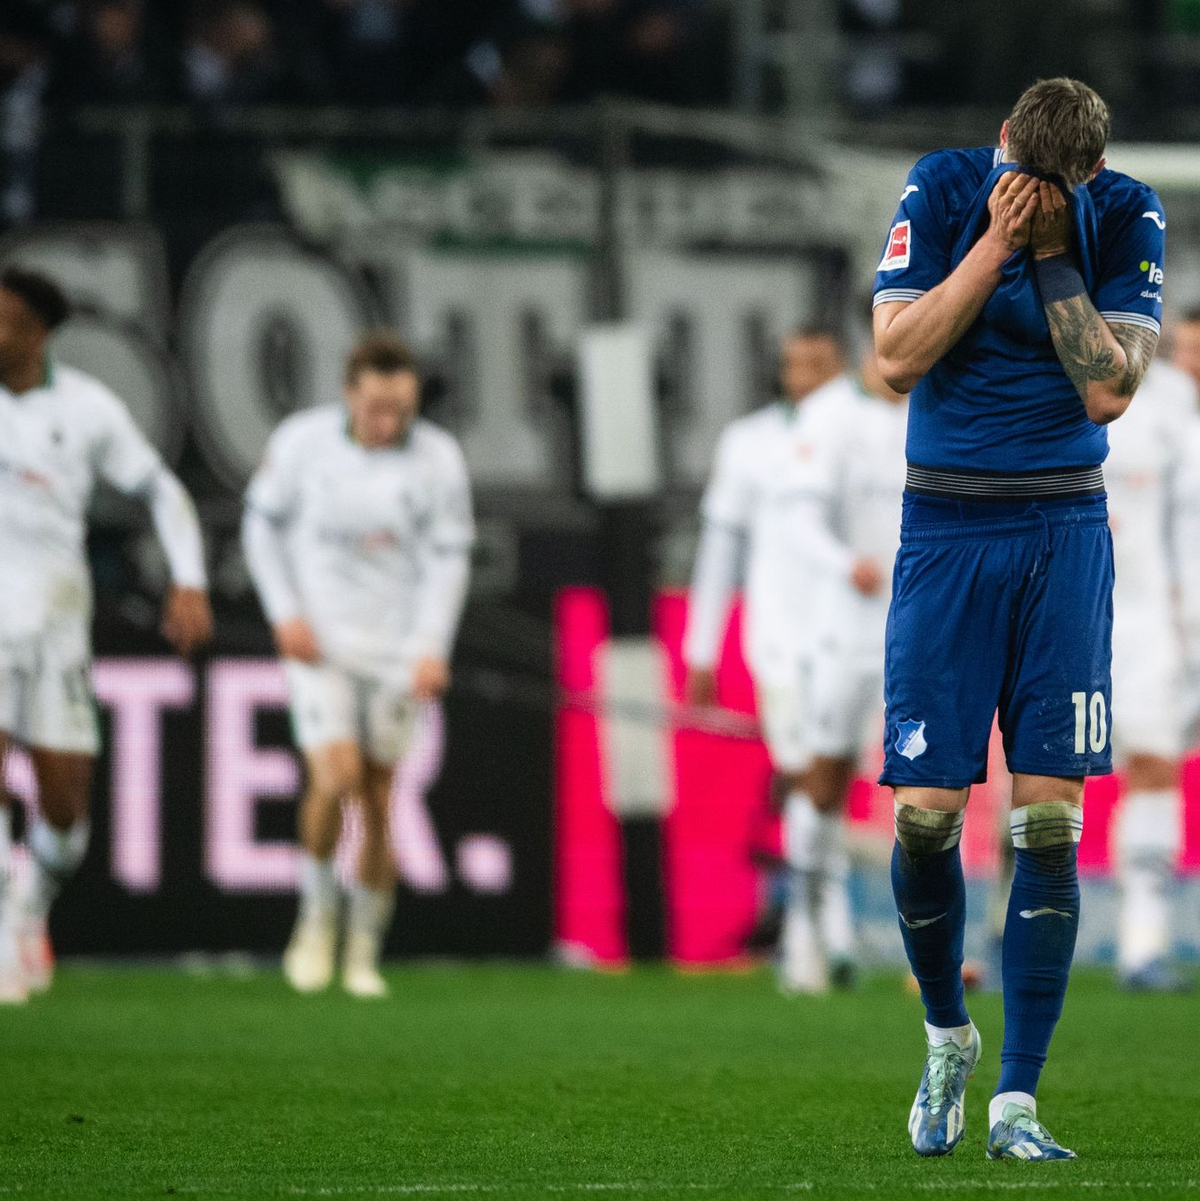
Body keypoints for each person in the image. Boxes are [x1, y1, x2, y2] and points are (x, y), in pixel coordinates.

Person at [873, 78, 1164, 1160]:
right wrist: (993, 247)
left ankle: (1018, 1101)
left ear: (1087, 174)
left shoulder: (1127, 210)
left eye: (1054, 189)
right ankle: (947, 1030)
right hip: (945, 526)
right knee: (926, 815)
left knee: (1048, 818)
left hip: (1062, 531)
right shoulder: (945, 187)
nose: (1027, 196)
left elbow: (1109, 391)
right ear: (997, 142)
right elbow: (897, 357)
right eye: (1018, 176)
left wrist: (1049, 254)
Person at [0, 267, 212, 1005]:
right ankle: (1, 929)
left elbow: (160, 486)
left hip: (56, 620)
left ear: (39, 332)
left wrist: (189, 578)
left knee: (64, 808)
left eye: (5, 319)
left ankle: (31, 900)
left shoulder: (88, 408)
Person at [242, 332, 473, 999]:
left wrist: (433, 645)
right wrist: (285, 612)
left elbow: (448, 558)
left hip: (398, 650)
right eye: (376, 406)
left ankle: (364, 946)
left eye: (401, 408)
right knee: (335, 775)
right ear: (350, 393)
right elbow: (260, 529)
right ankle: (316, 915)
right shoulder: (301, 444)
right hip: (320, 644)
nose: (388, 421)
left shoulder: (438, 458)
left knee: (377, 797)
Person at [681, 326, 847, 993]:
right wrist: (700, 644)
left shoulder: (867, 431)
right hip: (778, 632)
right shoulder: (747, 444)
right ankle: (818, 931)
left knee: (831, 778)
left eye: (816, 364)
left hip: (851, 632)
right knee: (804, 770)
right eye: (791, 364)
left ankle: (820, 922)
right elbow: (720, 548)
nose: (801, 376)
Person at [772, 341, 908, 993]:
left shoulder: (939, 405)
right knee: (825, 780)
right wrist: (841, 563)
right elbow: (797, 518)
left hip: (920, 628)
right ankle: (804, 928)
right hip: (845, 630)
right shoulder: (829, 416)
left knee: (933, 783)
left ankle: (934, 946)